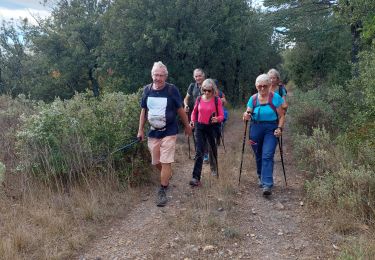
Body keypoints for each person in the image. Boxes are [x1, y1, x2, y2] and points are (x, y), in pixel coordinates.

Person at [137, 61, 192, 207]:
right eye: (156, 74)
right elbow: (144, 111)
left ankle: (162, 189)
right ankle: (167, 175)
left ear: (165, 77)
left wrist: (187, 126)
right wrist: (140, 130)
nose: (158, 78)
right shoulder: (147, 90)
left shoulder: (171, 90)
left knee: (166, 160)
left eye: (161, 75)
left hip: (169, 131)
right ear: (152, 75)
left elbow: (180, 109)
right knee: (156, 162)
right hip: (153, 132)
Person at [243, 74, 285, 196]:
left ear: (269, 85)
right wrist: (246, 115)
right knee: (259, 154)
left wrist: (279, 128)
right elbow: (248, 112)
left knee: (267, 154)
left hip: (271, 129)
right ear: (256, 86)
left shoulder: (276, 98)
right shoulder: (253, 99)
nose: (262, 89)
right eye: (259, 86)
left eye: (264, 86)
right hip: (256, 128)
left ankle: (267, 184)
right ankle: (260, 175)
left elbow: (282, 116)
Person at [189, 79, 224, 186]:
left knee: (212, 150)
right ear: (202, 89)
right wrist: (192, 121)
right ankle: (196, 178)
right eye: (204, 90)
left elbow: (222, 116)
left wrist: (217, 119)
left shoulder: (217, 100)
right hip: (200, 127)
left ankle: (214, 170)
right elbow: (194, 112)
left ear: (213, 90)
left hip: (212, 127)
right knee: (199, 151)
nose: (207, 93)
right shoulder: (199, 99)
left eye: (209, 90)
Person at [183, 68, 209, 163]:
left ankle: (206, 154)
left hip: (207, 113)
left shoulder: (208, 84)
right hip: (195, 113)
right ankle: (200, 153)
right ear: (194, 77)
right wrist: (185, 105)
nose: (198, 78)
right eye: (196, 76)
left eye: (199, 76)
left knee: (205, 134)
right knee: (196, 134)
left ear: (203, 76)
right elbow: (186, 98)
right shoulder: (192, 86)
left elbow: (215, 96)